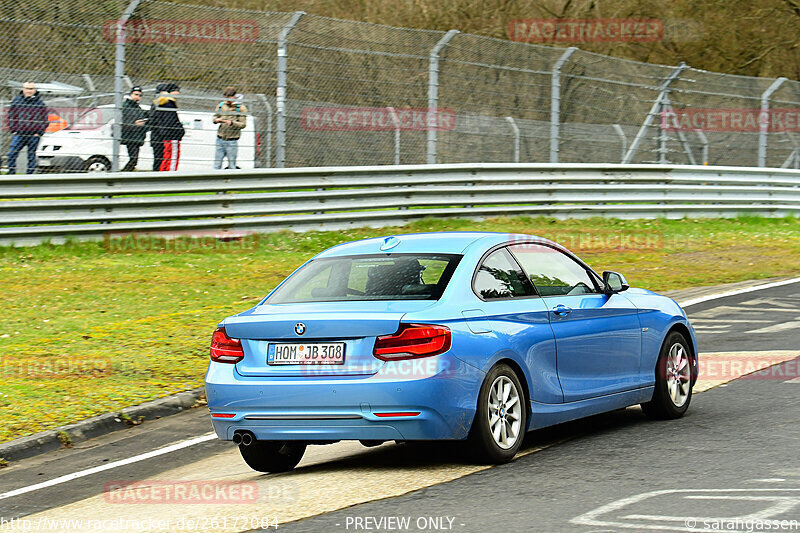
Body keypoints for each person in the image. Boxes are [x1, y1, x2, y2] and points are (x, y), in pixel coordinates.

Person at [6, 81, 48, 174]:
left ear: (35, 90)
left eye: (31, 89)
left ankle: (30, 175)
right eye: (27, 88)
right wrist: (14, 130)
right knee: (12, 154)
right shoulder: (16, 101)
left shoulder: (40, 104)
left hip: (33, 135)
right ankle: (11, 173)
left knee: (31, 156)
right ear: (23, 89)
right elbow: (11, 116)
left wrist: (39, 133)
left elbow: (44, 119)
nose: (29, 91)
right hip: (19, 134)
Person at [149, 83, 184, 171]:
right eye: (175, 91)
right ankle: (170, 176)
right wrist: (180, 131)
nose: (178, 93)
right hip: (171, 135)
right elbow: (170, 121)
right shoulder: (168, 103)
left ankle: (162, 174)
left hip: (163, 135)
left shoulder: (157, 103)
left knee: (164, 158)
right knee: (172, 158)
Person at [213, 86, 247, 170]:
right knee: (217, 164)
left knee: (232, 165)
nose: (228, 100)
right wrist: (217, 120)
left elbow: (243, 124)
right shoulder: (221, 105)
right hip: (220, 139)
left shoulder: (241, 108)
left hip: (232, 140)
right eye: (226, 97)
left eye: (230, 97)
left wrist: (232, 123)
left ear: (234, 96)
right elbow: (214, 117)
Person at [121, 86, 148, 171]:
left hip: (136, 136)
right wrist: (134, 124)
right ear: (131, 94)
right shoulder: (126, 106)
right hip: (131, 136)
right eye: (136, 94)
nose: (138, 97)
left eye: (139, 95)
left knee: (134, 159)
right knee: (133, 159)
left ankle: (125, 173)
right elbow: (124, 121)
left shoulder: (136, 107)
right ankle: (123, 174)